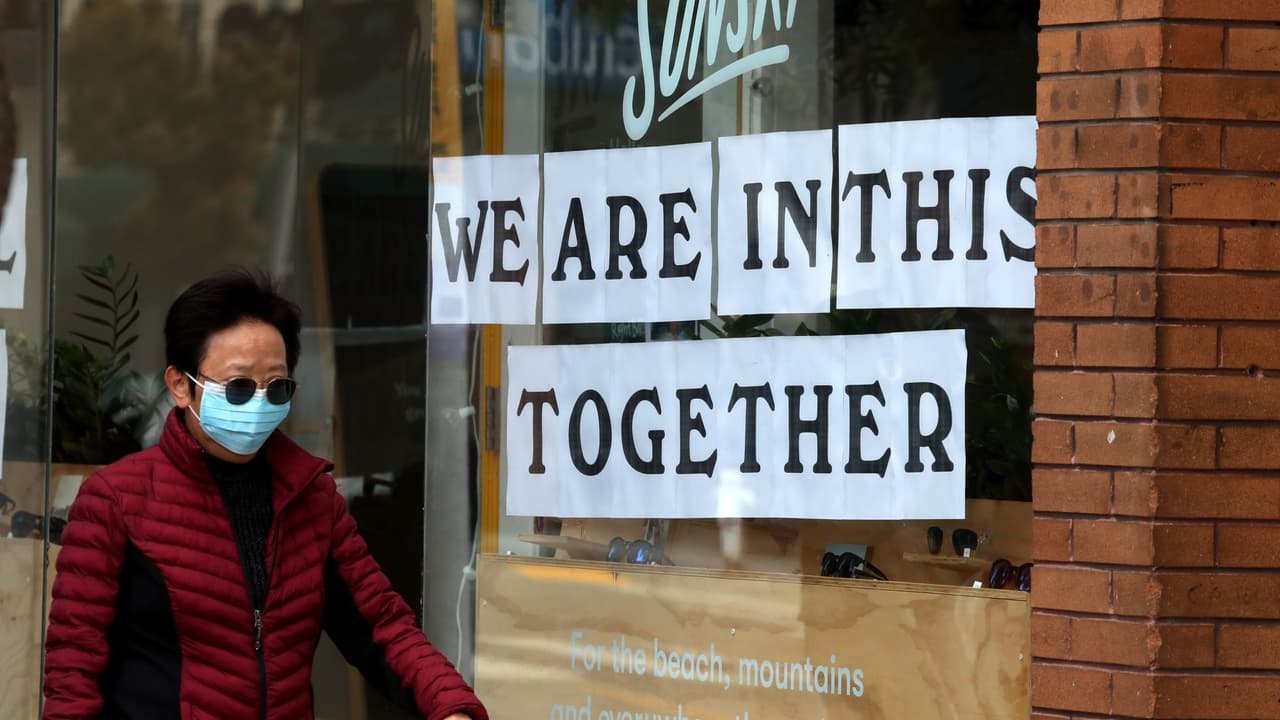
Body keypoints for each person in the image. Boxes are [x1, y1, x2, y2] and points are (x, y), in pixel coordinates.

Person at [43, 271, 487, 720]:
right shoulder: (114, 501)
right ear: (180, 385)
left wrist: (451, 706)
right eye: (237, 387)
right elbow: (72, 676)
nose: (258, 402)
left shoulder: (311, 498)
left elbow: (382, 626)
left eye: (276, 387)